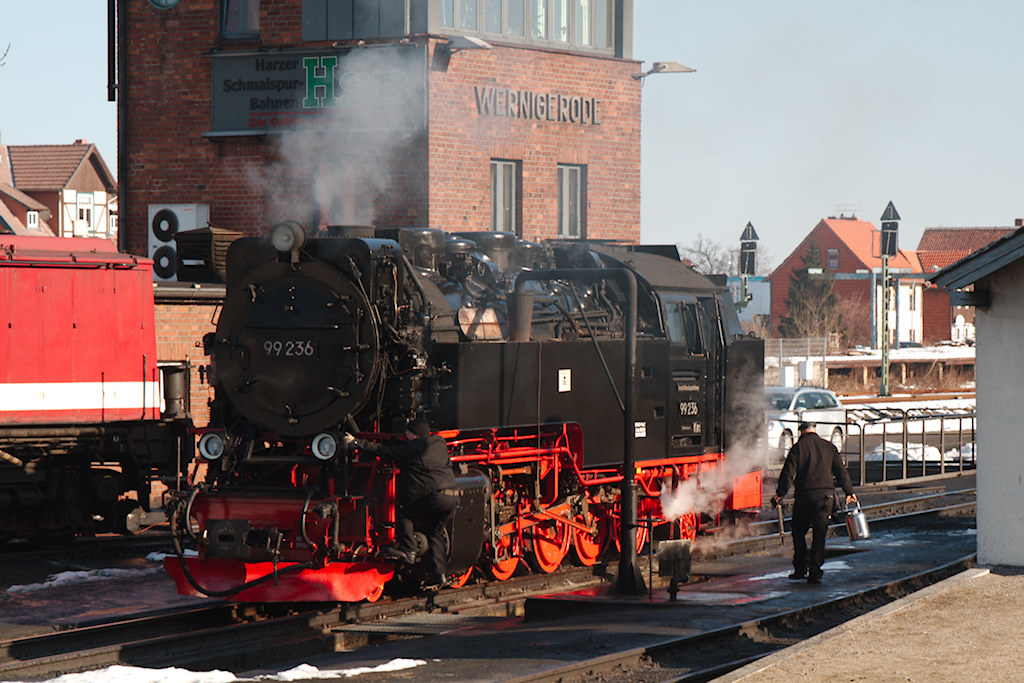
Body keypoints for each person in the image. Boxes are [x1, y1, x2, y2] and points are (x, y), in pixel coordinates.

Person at [344, 418, 458, 588]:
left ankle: (408, 549)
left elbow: (385, 451)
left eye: (408, 432)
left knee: (404, 512)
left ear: (415, 434)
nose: (406, 434)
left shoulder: (413, 449)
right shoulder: (440, 443)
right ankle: (440, 575)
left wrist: (357, 442)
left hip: (435, 497)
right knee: (435, 533)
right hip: (452, 497)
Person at [771, 421, 857, 585]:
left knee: (798, 532)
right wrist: (849, 492)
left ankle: (800, 569)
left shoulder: (798, 448)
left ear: (801, 432)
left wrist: (779, 494)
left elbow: (788, 473)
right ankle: (815, 573)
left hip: (805, 498)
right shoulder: (828, 447)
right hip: (826, 499)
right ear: (815, 430)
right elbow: (841, 472)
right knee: (819, 536)